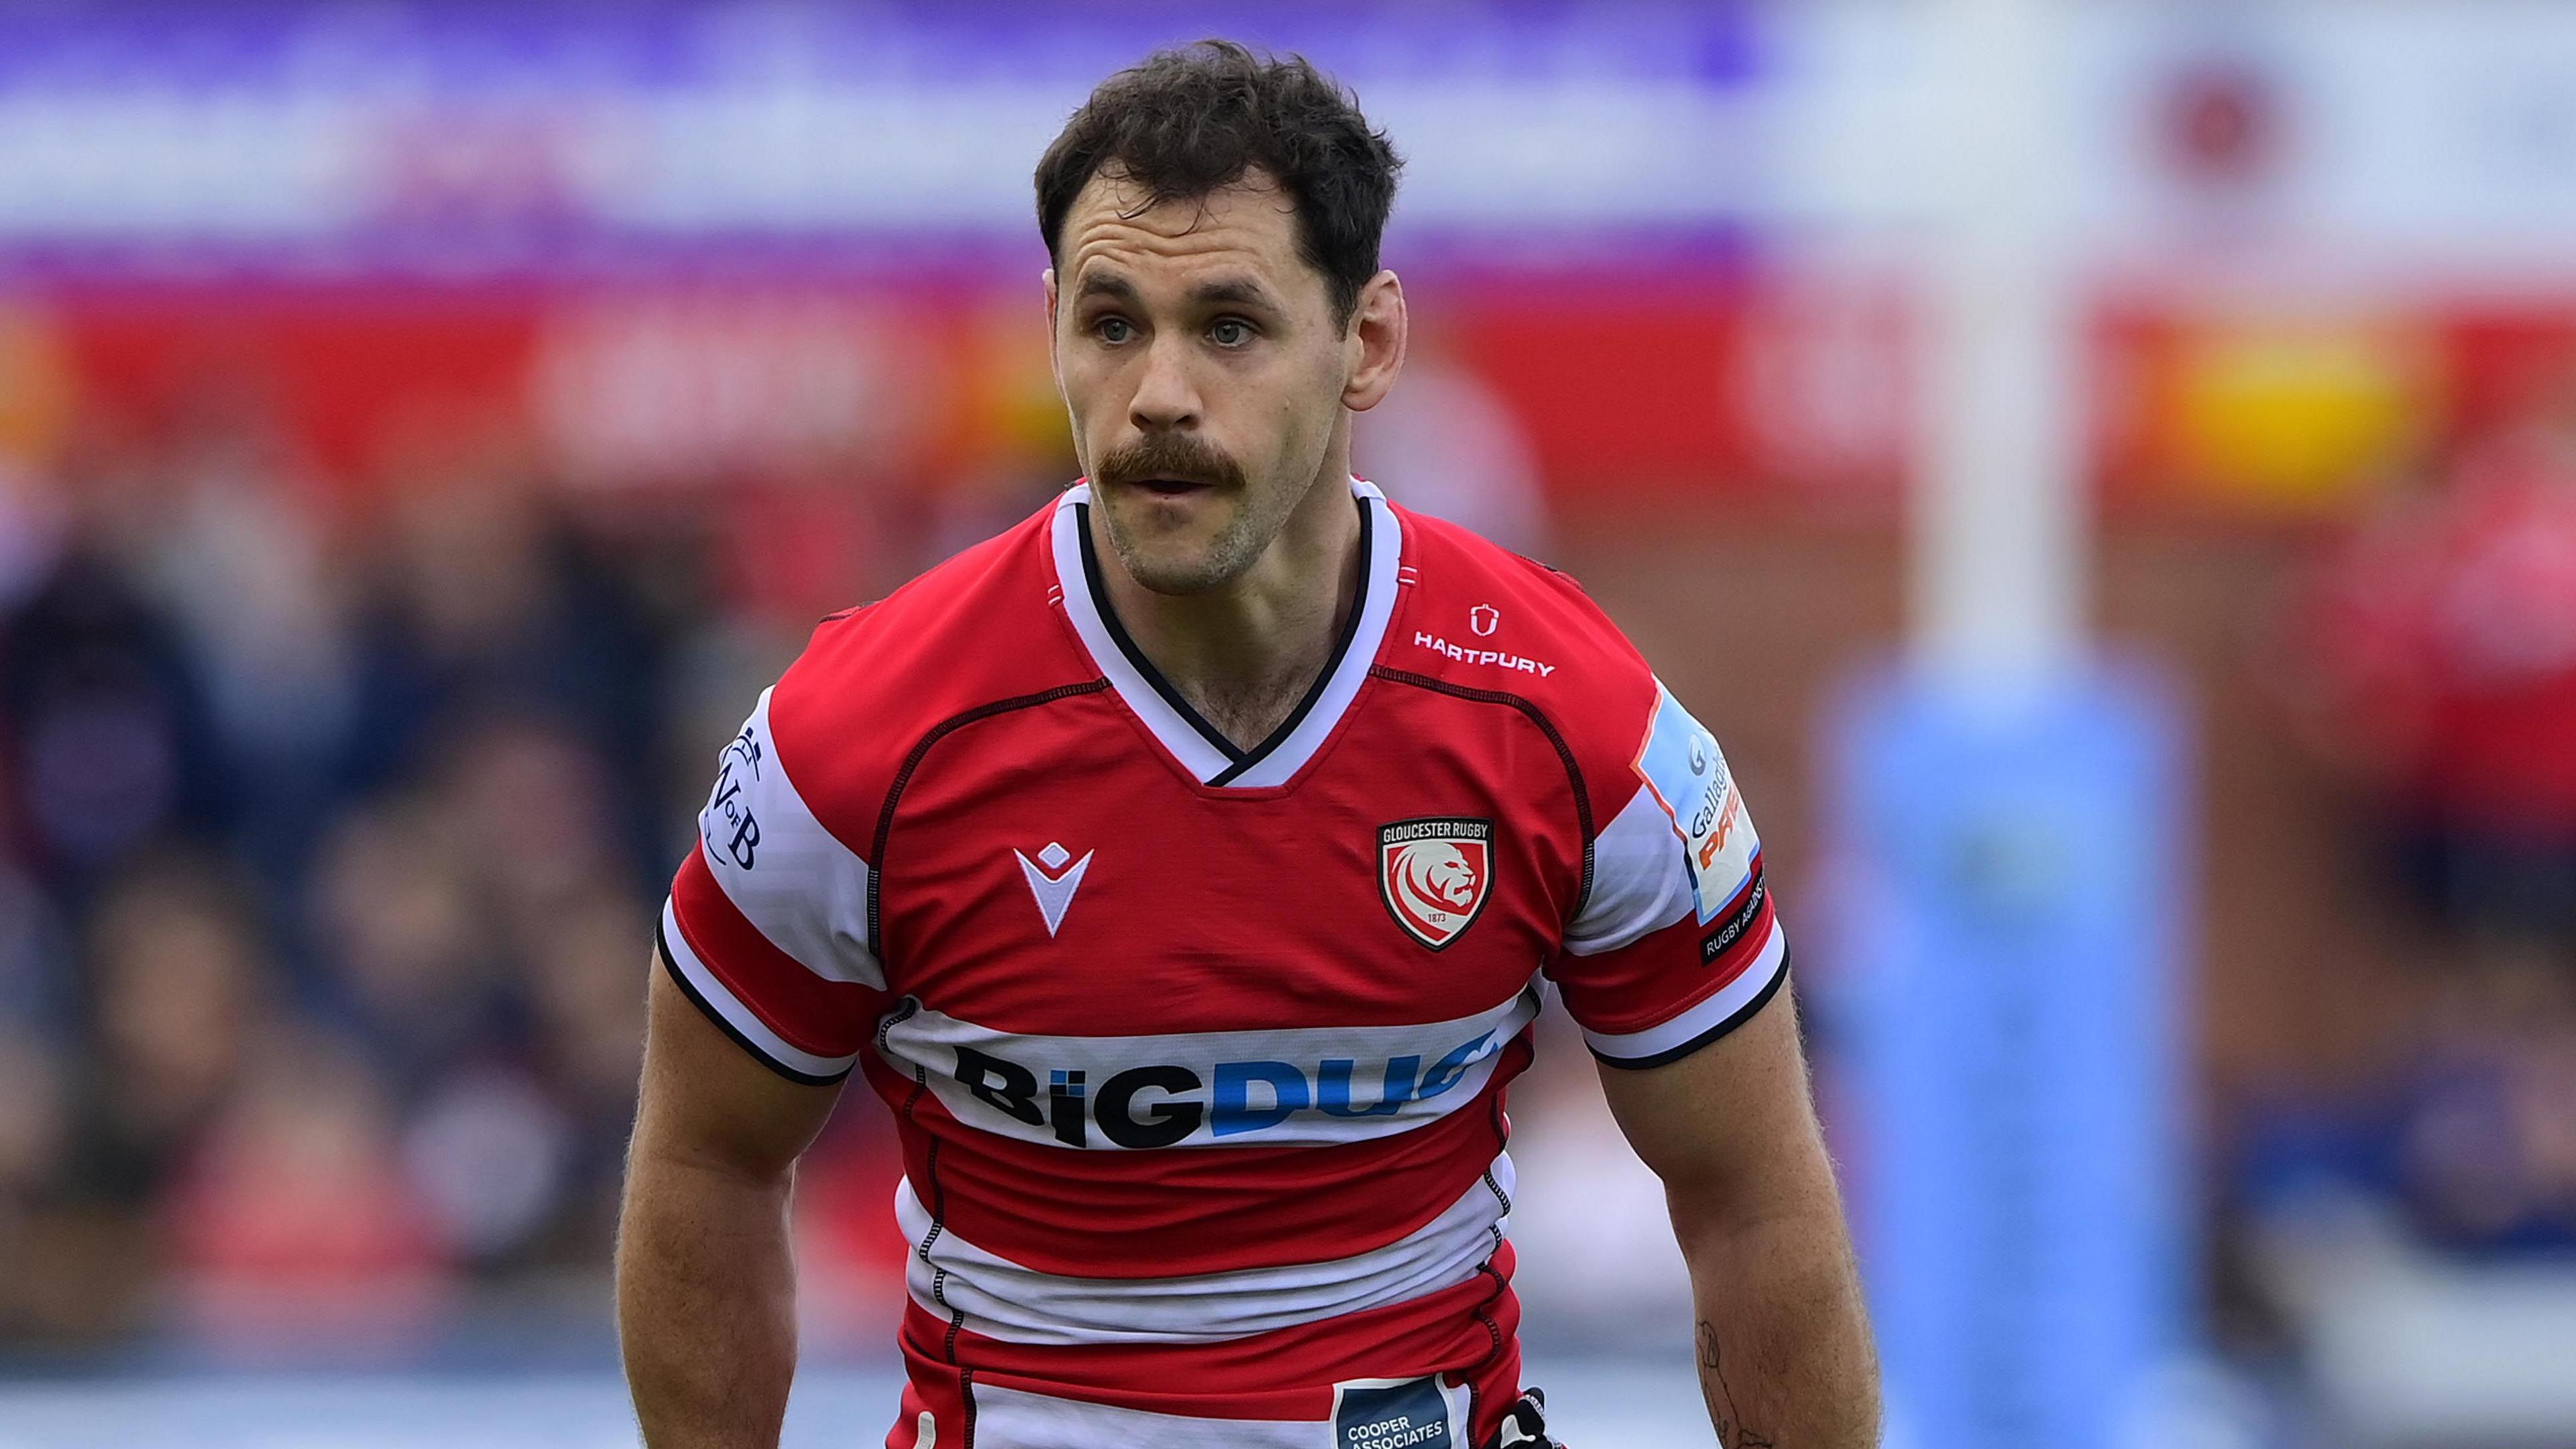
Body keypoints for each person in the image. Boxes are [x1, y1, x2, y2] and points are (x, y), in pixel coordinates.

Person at [616, 41, 1879, 1449]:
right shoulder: (852, 738)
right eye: (1111, 324)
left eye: (1228, 326)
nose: (1159, 393)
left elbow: (1755, 1197)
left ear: (1369, 344)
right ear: (1052, 334)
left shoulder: (1574, 720)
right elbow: (705, 1162)